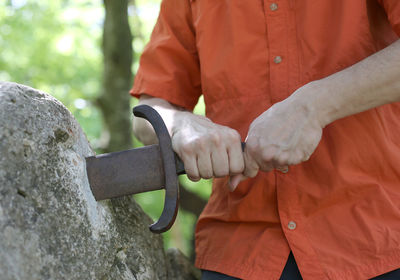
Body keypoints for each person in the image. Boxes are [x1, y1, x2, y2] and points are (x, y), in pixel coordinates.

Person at [131, 0, 400, 279]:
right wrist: (181, 125)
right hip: (240, 248)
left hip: (376, 237)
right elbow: (145, 114)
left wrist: (315, 104)